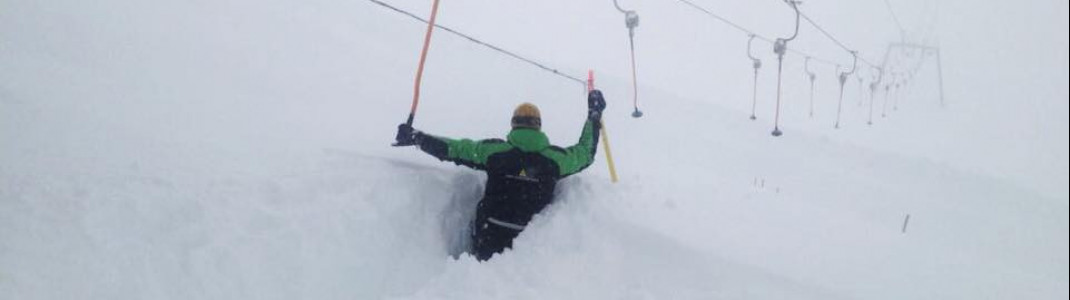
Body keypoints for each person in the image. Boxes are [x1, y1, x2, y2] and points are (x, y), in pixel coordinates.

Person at [394, 90, 607, 261]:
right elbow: (584, 153)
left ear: (514, 124)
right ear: (538, 126)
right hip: (530, 246)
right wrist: (594, 116)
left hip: (488, 234)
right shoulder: (555, 159)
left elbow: (456, 149)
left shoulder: (495, 152)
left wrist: (417, 138)